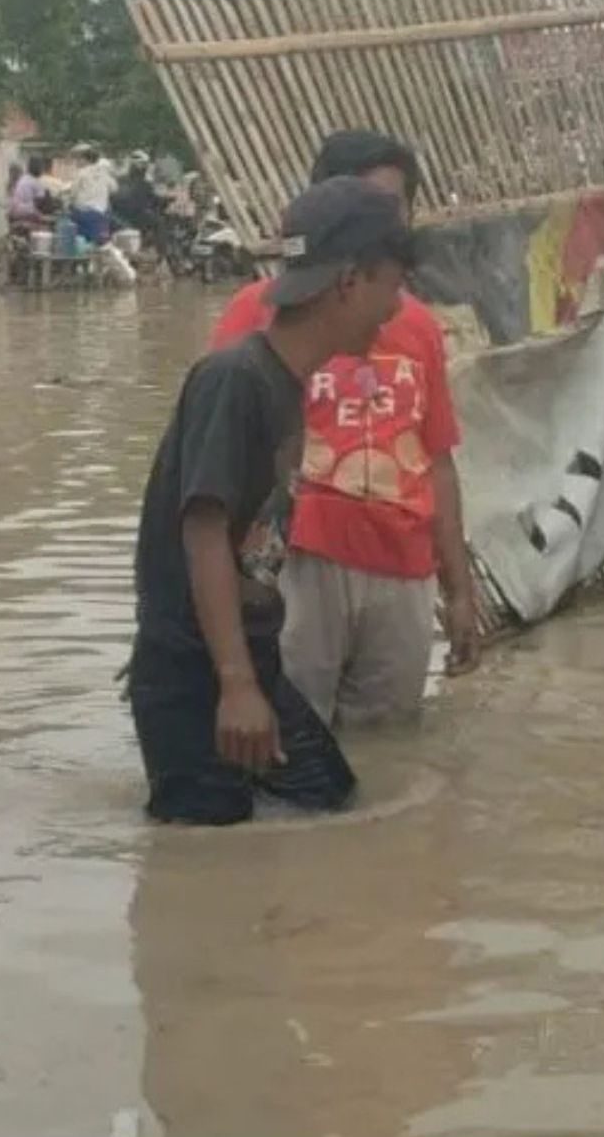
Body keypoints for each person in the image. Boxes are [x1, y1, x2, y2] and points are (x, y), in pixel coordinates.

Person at [127, 175, 414, 824]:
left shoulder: (284, 382)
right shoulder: (235, 380)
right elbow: (204, 531)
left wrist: (249, 678)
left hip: (244, 663)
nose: (395, 309)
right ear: (348, 282)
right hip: (194, 676)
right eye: (390, 287)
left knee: (330, 803)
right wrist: (233, 686)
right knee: (203, 859)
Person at [209, 129, 481, 729]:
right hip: (300, 561)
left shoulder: (418, 327)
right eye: (362, 203)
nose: (377, 222)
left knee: (387, 748)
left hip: (402, 563)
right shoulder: (259, 315)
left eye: (393, 208)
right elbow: (213, 470)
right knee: (290, 735)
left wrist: (458, 590)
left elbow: (437, 458)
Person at [69, 145, 118, 245]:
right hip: (98, 215)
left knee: (76, 239)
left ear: (85, 160)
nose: (76, 162)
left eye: (78, 159)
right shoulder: (104, 173)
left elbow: (73, 194)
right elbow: (114, 189)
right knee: (94, 243)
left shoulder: (82, 173)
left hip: (80, 214)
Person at [8, 155, 53, 232]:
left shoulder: (24, 178)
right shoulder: (34, 181)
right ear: (37, 167)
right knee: (48, 225)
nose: (42, 169)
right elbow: (40, 203)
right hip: (26, 214)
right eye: (41, 167)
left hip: (15, 213)